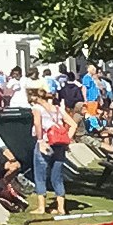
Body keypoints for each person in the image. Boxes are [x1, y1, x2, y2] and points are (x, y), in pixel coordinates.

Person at [30, 86, 76, 215]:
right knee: (57, 176)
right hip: (59, 144)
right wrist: (67, 138)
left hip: (46, 143)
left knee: (40, 175)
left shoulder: (37, 109)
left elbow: (38, 124)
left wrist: (40, 141)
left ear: (37, 98)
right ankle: (61, 208)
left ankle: (41, 207)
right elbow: (73, 124)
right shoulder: (58, 109)